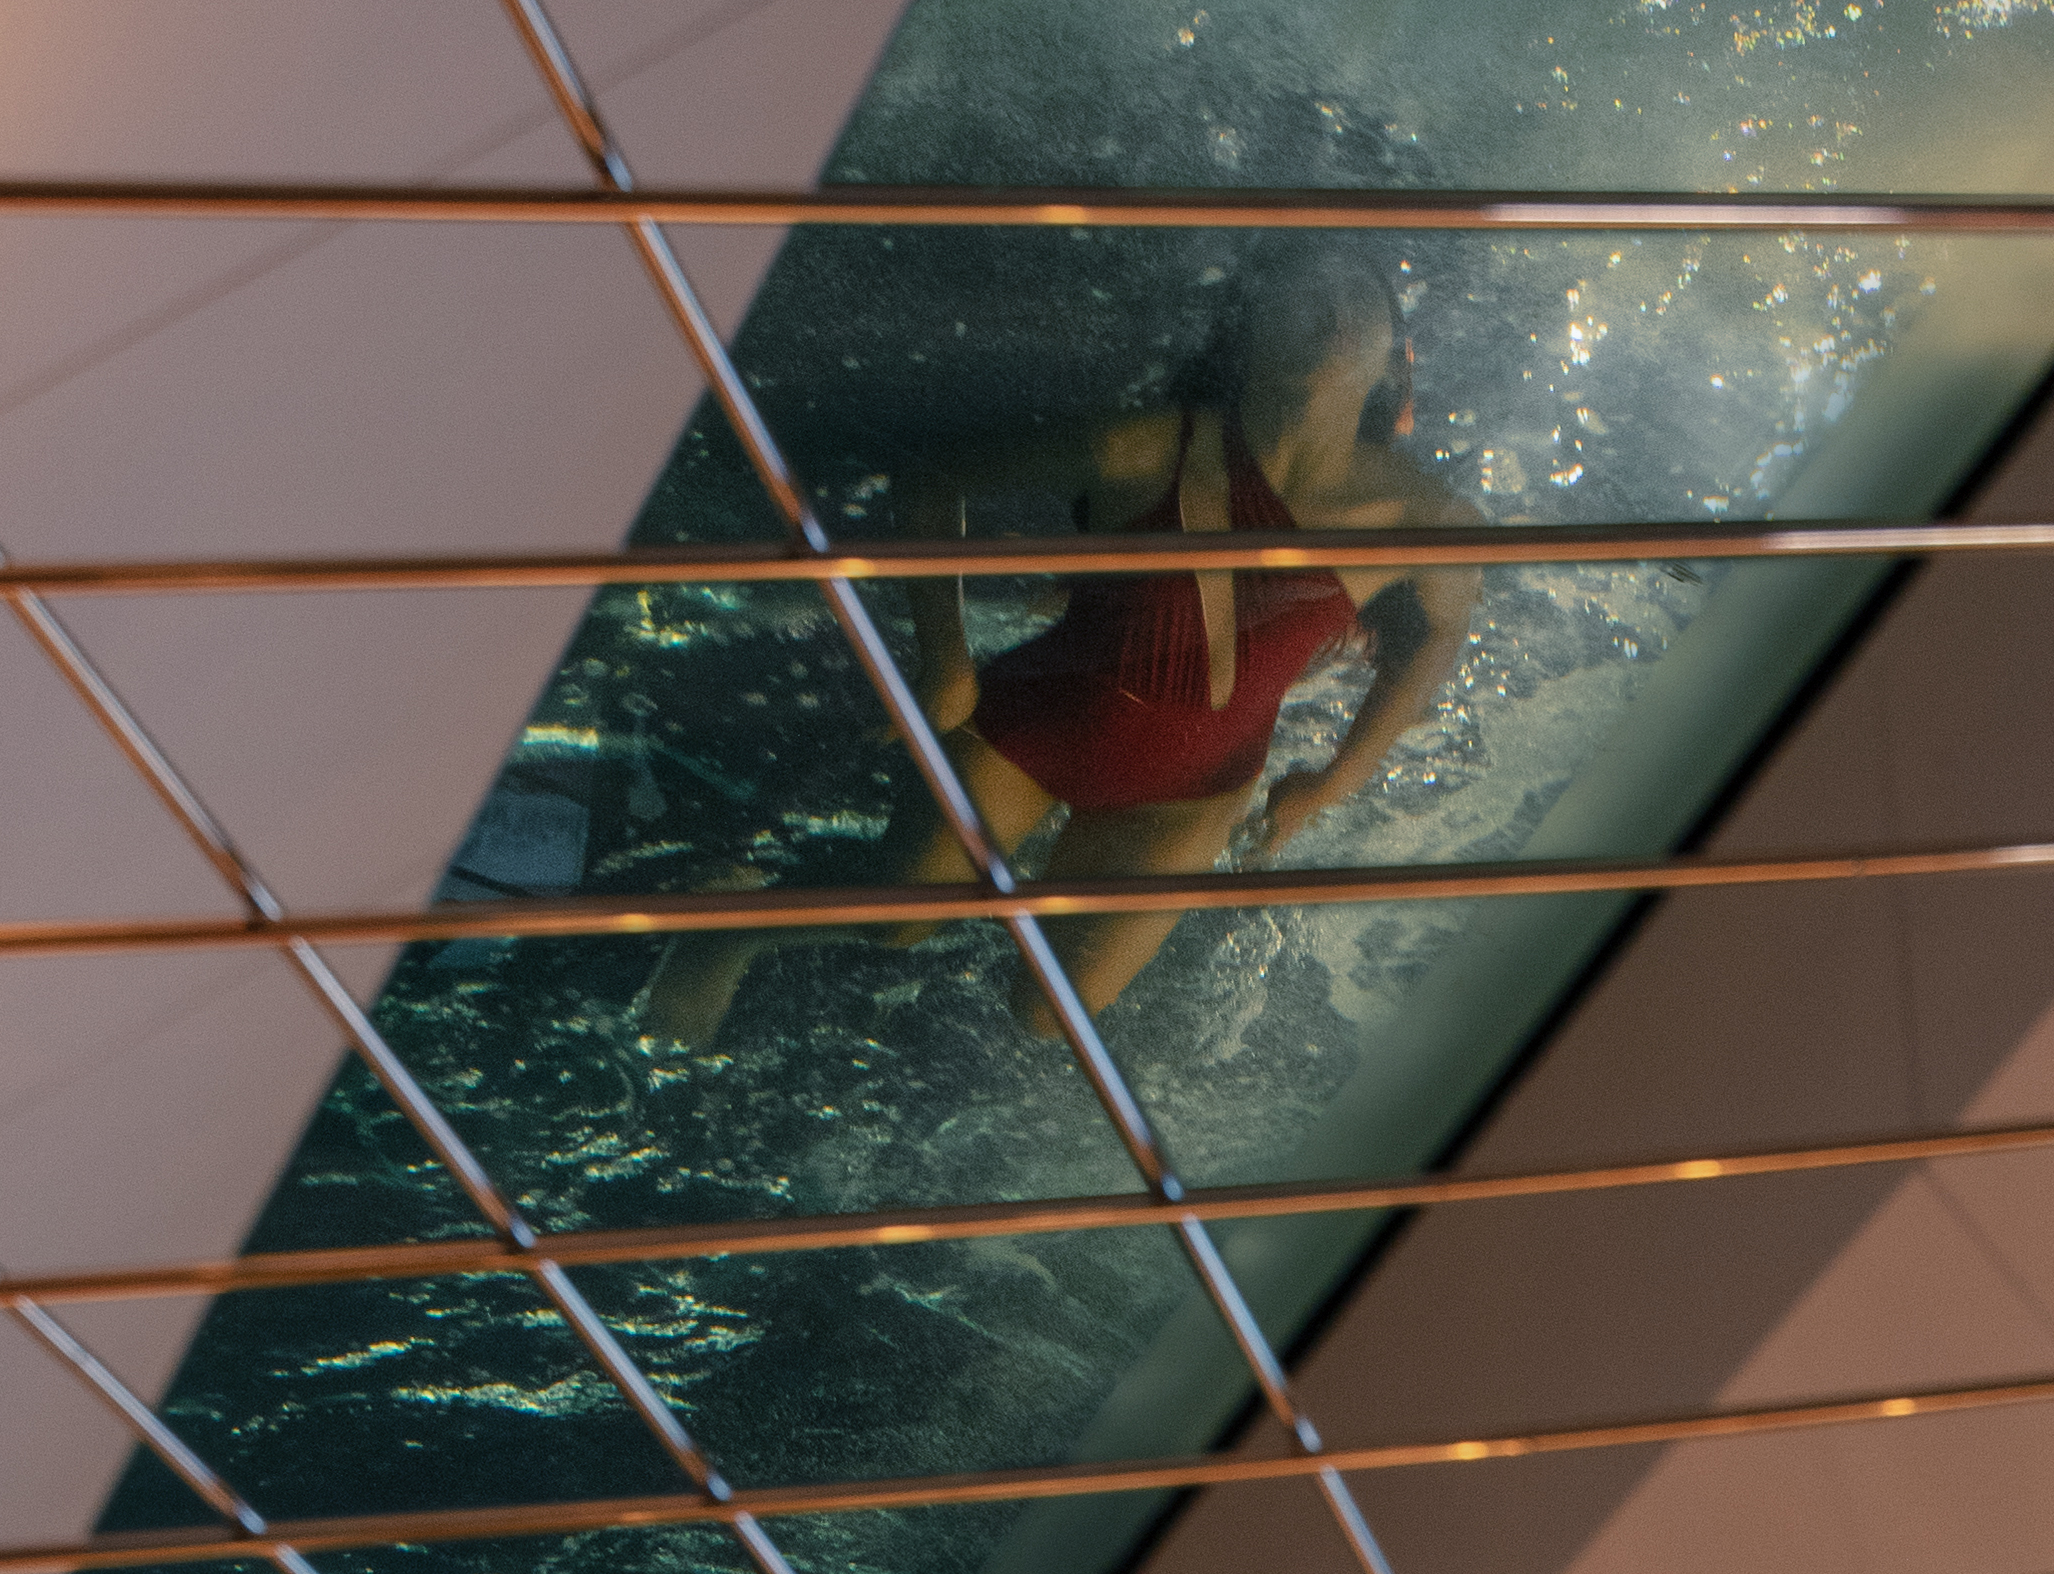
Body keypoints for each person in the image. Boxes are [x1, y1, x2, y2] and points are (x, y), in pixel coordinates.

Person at [634, 264, 1480, 1051]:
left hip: (1190, 793)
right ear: (1244, 340)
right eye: (1301, 293)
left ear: (1394, 364)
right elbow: (933, 479)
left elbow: (1439, 635)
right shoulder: (1146, 446)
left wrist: (1335, 779)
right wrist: (945, 662)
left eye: (1356, 298)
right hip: (1029, 732)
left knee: (1046, 1016)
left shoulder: (1423, 518)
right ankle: (737, 918)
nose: (1327, 309)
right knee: (901, 920)